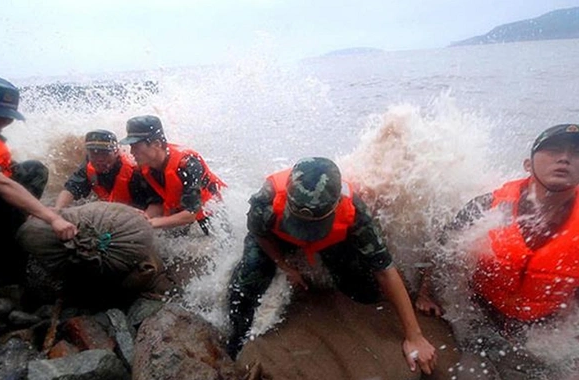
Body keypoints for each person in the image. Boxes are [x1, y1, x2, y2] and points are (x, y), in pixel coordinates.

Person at [227, 157, 437, 375]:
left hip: (331, 240)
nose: (306, 231)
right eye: (302, 223)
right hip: (281, 237)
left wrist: (415, 337)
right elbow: (260, 234)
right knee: (246, 282)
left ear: (337, 203)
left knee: (366, 293)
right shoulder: (266, 198)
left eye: (312, 225)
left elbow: (384, 270)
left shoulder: (356, 212)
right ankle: (236, 338)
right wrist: (285, 265)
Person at [415, 124, 579, 379]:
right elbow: (445, 248)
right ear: (528, 164)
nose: (565, 158)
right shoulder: (487, 207)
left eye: (576, 153)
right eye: (554, 150)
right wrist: (426, 293)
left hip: (545, 330)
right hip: (482, 316)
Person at [0, 73, 77, 282]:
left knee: (33, 171)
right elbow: (0, 183)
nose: (4, 120)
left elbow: (8, 171)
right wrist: (52, 218)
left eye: (8, 115)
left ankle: (14, 235)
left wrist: (36, 210)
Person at [119, 115, 226, 235]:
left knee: (218, 249)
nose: (132, 152)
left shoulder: (188, 164)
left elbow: (191, 213)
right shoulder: (144, 168)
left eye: (136, 146)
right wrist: (144, 218)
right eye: (131, 147)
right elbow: (157, 202)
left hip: (211, 214)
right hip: (177, 214)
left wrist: (152, 224)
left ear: (157, 144)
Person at [54, 129, 161, 211]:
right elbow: (71, 189)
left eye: (105, 153)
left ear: (116, 152)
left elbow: (156, 203)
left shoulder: (135, 172)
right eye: (94, 153)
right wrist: (58, 210)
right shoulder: (88, 166)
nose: (99, 159)